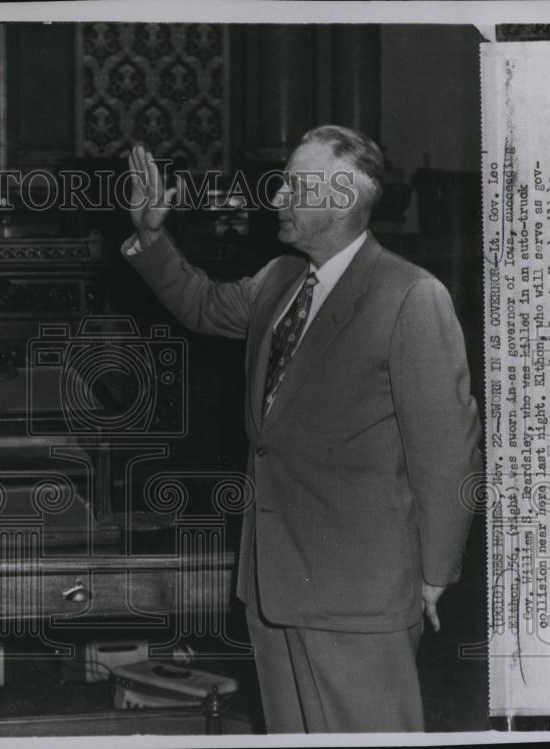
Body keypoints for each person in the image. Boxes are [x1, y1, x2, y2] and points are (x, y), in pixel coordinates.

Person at [123, 126, 482, 733]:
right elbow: (201, 303)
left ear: (343, 199)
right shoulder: (279, 281)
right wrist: (150, 235)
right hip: (274, 587)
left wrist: (431, 576)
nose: (277, 197)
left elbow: (448, 451)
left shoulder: (411, 295)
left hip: (359, 597)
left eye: (295, 184)